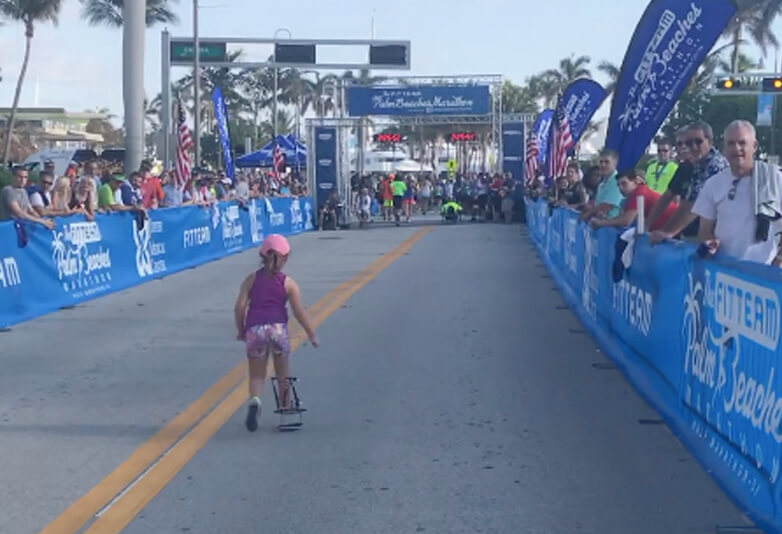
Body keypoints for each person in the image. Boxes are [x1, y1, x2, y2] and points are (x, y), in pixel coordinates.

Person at [234, 235, 319, 432]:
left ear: (262, 256)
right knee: (282, 373)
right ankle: (284, 406)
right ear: (286, 258)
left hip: (255, 329)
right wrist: (311, 334)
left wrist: (241, 330)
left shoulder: (251, 280)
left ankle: (255, 401)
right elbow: (299, 312)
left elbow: (239, 307)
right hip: (278, 329)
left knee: (256, 375)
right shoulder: (288, 283)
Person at [693, 120, 782, 265]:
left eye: (742, 143)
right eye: (731, 143)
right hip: (726, 274)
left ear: (754, 146)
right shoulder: (713, 184)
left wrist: (780, 259)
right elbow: (704, 230)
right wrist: (709, 242)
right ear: (724, 148)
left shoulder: (776, 179)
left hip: (765, 275)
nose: (736, 148)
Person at [590, 170, 676, 231]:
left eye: (624, 183)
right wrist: (606, 221)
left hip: (672, 229)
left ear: (635, 182)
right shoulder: (634, 195)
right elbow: (623, 217)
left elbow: (626, 221)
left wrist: (601, 223)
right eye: (618, 185)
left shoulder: (639, 192)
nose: (620, 188)